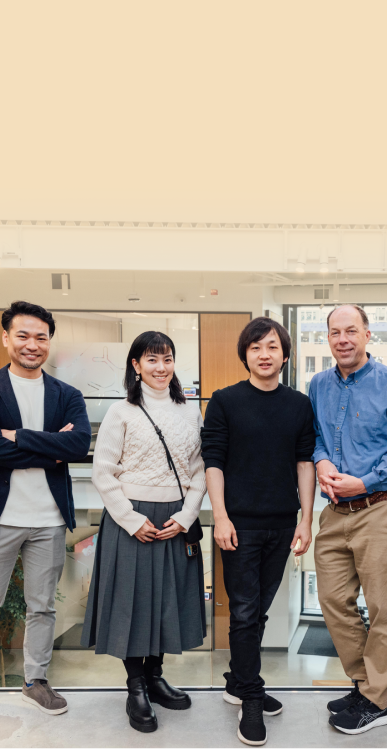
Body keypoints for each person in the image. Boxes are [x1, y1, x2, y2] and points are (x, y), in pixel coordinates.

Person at [81, 331, 206, 733]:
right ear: (136, 365)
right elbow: (102, 471)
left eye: (167, 359)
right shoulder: (121, 412)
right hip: (130, 519)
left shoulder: (190, 412)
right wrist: (132, 520)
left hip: (174, 519)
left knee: (167, 598)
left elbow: (200, 470)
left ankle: (156, 676)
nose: (160, 367)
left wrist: (187, 515)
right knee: (131, 601)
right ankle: (135, 686)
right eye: (151, 360)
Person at [201, 316, 315, 747]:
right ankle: (250, 695)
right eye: (255, 347)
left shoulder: (299, 404)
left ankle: (237, 679)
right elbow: (213, 460)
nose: (264, 354)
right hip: (240, 526)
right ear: (245, 354)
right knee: (246, 612)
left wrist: (306, 518)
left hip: (282, 523)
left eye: (271, 347)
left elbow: (305, 462)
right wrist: (221, 516)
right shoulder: (225, 401)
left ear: (284, 354)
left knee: (258, 610)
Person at [310, 304, 387, 736]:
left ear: (367, 335)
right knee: (334, 602)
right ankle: (366, 684)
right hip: (335, 511)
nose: (343, 339)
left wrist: (364, 481)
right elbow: (317, 436)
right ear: (328, 338)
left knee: (383, 608)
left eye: (351, 331)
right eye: (335, 332)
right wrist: (321, 463)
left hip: (382, 507)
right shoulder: (319, 384)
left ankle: (377, 700)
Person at [0, 300, 91, 715]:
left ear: (49, 341)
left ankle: (36, 681)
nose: (32, 344)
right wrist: (48, 447)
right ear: (6, 338)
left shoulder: (65, 394)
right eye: (23, 335)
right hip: (3, 517)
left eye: (40, 337)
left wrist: (15, 438)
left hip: (49, 520)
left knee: (42, 606)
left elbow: (76, 444)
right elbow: (61, 447)